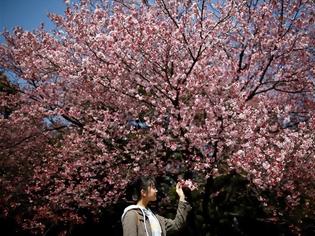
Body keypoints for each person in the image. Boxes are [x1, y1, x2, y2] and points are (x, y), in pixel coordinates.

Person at [121, 176, 192, 236]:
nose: (156, 191)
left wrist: (182, 198)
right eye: (153, 188)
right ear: (143, 192)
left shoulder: (154, 217)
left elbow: (177, 225)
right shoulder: (131, 214)